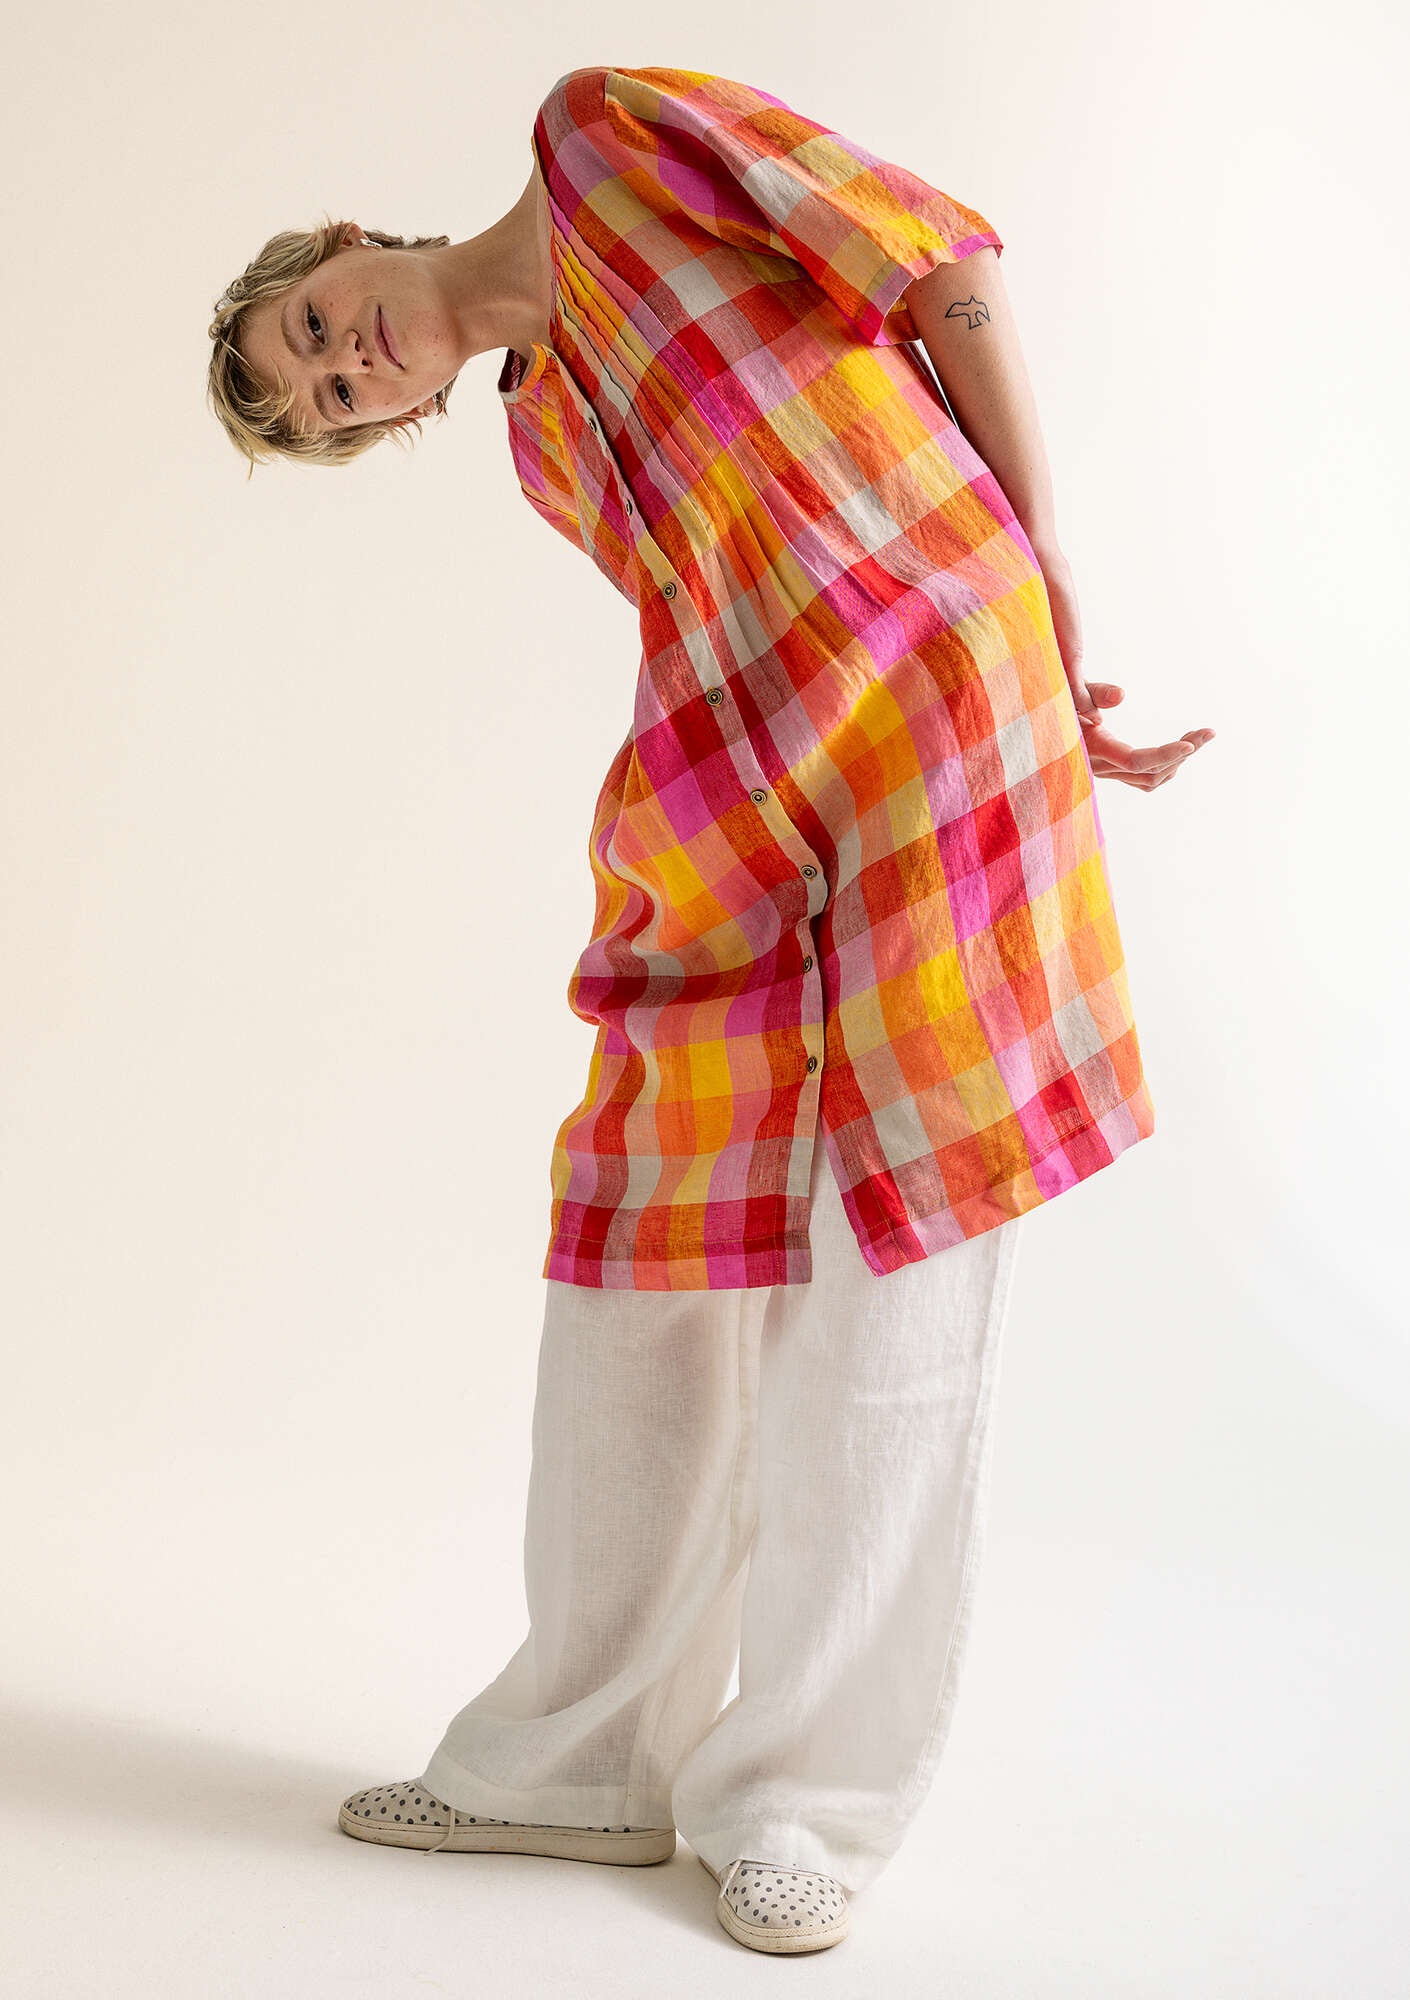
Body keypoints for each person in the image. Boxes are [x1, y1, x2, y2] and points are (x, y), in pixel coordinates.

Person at [208, 64, 1213, 1956]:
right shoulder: (538, 441)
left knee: (895, 1249)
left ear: (342, 246)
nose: (346, 362)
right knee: (646, 1252)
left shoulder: (602, 130)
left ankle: (807, 1808)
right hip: (732, 795)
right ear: (394, 423)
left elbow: (938, 263)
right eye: (333, 395)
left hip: (931, 702)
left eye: (315, 327)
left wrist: (1038, 577)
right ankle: (574, 1763)